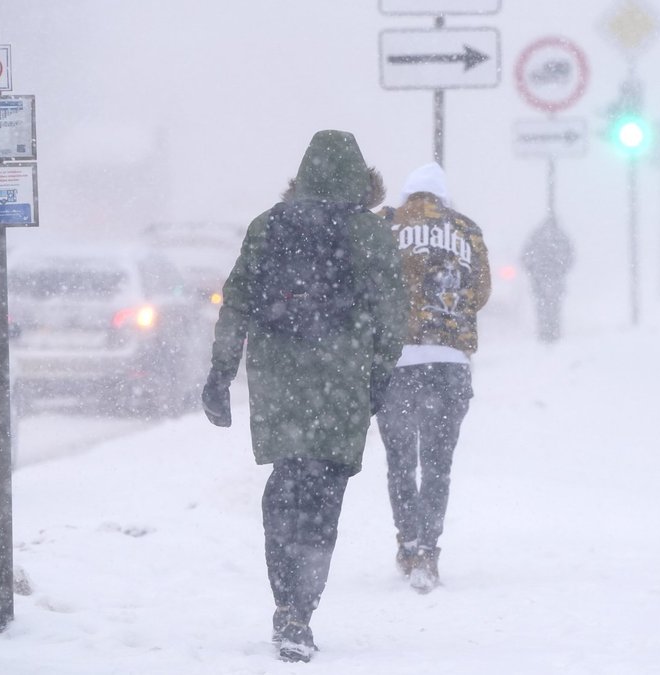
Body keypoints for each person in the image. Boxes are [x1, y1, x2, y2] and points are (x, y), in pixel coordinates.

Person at [201, 130, 407, 663]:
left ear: (304, 173)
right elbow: (391, 311)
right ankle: (301, 612)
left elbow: (236, 303)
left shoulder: (268, 226)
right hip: (341, 380)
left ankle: (283, 601)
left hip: (278, 378)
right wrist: (381, 371)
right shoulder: (369, 232)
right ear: (360, 178)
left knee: (286, 483)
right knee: (324, 494)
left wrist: (221, 372)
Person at [376, 162, 491, 593]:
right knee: (438, 464)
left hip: (397, 363)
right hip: (449, 362)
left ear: (407, 196)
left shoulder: (385, 227)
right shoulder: (466, 229)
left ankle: (407, 545)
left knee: (400, 462)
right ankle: (428, 551)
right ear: (443, 198)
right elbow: (480, 292)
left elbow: (366, 284)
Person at [521, 216, 574, 342]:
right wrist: (561, 270)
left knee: (543, 305)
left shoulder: (536, 237)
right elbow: (570, 256)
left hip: (541, 278)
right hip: (553, 277)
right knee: (553, 305)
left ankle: (545, 331)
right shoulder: (561, 237)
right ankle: (552, 330)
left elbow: (525, 257)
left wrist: (533, 271)